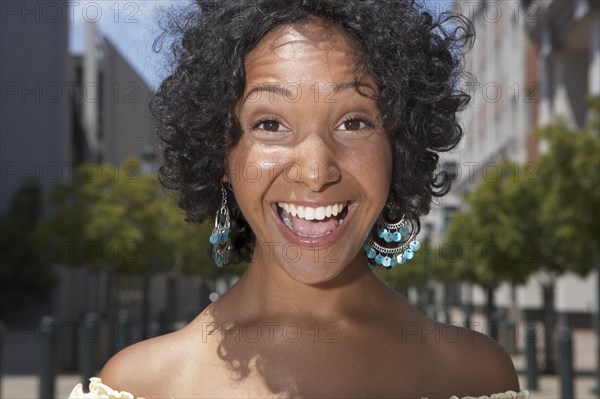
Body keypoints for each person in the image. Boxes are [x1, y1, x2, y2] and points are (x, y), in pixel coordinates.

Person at [70, 0, 529, 398]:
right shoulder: (143, 386)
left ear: (400, 147)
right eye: (270, 124)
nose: (315, 172)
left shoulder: (475, 376)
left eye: (354, 122)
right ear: (220, 154)